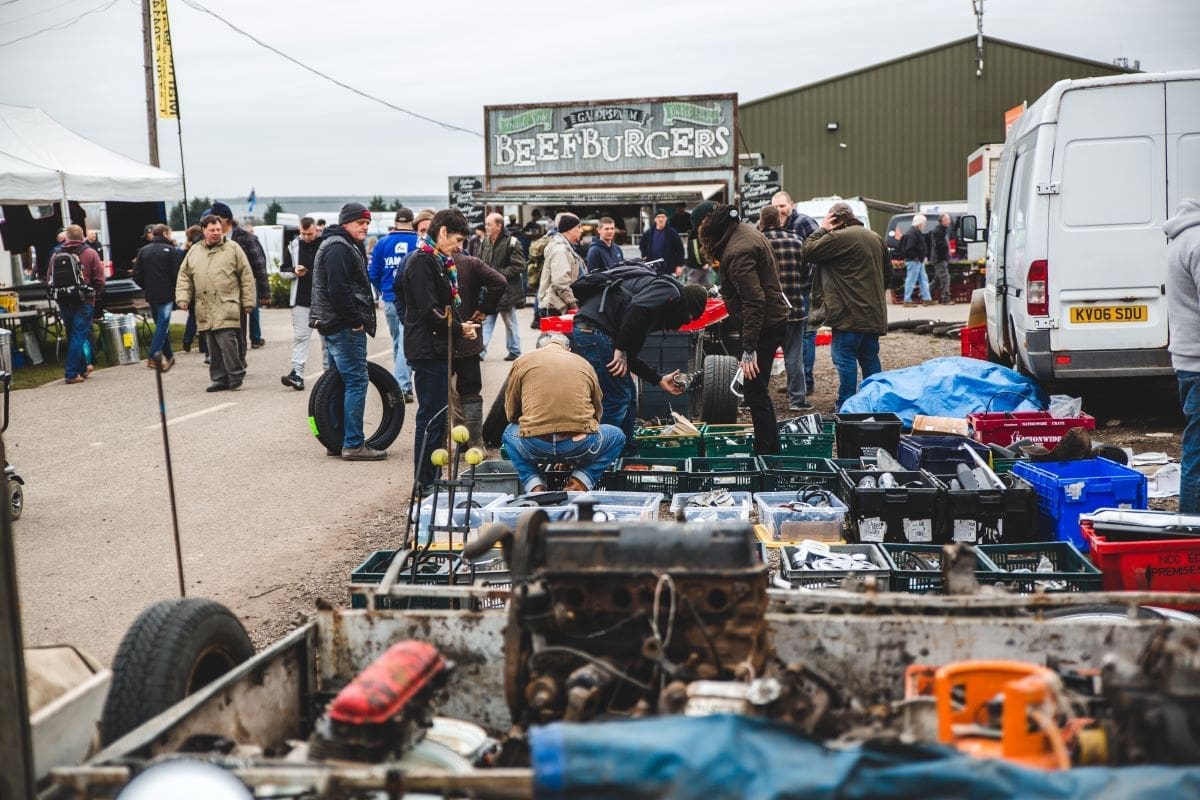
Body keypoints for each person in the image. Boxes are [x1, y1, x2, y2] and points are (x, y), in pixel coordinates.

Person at [572, 268, 708, 451]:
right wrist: (620, 349)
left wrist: (658, 379)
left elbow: (630, 357)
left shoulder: (644, 317)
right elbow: (637, 307)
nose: (681, 324)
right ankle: (601, 455)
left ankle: (626, 450)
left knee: (628, 395)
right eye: (688, 318)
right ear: (686, 306)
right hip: (595, 329)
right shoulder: (670, 293)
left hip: (598, 331)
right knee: (617, 397)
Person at [695, 204, 789, 454]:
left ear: (709, 224)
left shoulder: (737, 250)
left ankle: (766, 452)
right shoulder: (743, 232)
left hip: (765, 325)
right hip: (771, 321)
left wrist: (749, 347)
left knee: (755, 392)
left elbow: (754, 300)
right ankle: (769, 448)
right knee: (757, 390)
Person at [401, 208, 479, 489]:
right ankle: (425, 482)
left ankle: (431, 478)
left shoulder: (438, 260)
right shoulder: (423, 261)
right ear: (442, 231)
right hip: (427, 349)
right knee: (431, 417)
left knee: (437, 416)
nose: (460, 247)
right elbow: (429, 310)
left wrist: (459, 325)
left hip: (436, 347)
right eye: (457, 239)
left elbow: (442, 307)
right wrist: (459, 329)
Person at [501, 332, 626, 493]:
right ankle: (578, 483)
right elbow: (596, 413)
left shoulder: (522, 361)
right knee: (617, 436)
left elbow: (511, 413)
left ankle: (535, 485)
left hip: (534, 445)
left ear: (539, 349)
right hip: (580, 445)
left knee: (508, 433)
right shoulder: (583, 363)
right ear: (569, 349)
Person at [308, 202, 383, 461]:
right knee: (356, 381)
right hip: (343, 325)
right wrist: (355, 320)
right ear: (346, 223)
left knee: (339, 381)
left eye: (367, 223)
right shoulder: (339, 247)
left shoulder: (335, 244)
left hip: (332, 323)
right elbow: (337, 288)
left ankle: (336, 439)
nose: (365, 227)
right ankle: (353, 444)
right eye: (360, 222)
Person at [802, 202, 889, 409]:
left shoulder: (839, 237)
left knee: (845, 358)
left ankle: (846, 404)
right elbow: (888, 276)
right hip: (873, 314)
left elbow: (808, 251)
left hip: (849, 315)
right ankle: (875, 402)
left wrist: (822, 228)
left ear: (835, 220)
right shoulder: (876, 238)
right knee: (869, 357)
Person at [175, 215, 255, 392]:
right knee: (212, 345)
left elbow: (246, 276)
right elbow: (184, 276)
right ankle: (219, 378)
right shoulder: (195, 251)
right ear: (203, 230)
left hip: (227, 304)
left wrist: (248, 302)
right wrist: (182, 298)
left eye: (219, 229)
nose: (216, 233)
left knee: (228, 341)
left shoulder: (233, 248)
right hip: (204, 305)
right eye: (212, 230)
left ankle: (236, 374)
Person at [758, 206, 811, 411]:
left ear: (762, 221)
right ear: (780, 219)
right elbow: (807, 275)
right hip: (794, 308)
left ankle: (756, 396)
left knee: (762, 357)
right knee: (794, 357)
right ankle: (797, 400)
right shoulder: (797, 241)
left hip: (767, 311)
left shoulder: (758, 242)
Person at [1166, 198, 1200, 513]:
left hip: (1188, 361)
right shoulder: (1198, 241)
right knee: (1197, 453)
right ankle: (1192, 526)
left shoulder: (1181, 238)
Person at [452, 253, 506, 447]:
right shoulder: (470, 262)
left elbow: (499, 281)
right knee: (470, 390)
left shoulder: (423, 260)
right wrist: (484, 308)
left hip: (443, 339)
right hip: (467, 337)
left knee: (449, 391)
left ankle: (462, 441)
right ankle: (475, 443)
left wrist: (485, 308)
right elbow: (499, 282)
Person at [368, 208, 417, 402]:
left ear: (395, 222)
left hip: (390, 299)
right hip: (411, 300)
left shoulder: (382, 243)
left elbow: (373, 273)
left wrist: (383, 291)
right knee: (406, 343)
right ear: (412, 222)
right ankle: (402, 385)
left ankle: (402, 383)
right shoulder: (418, 243)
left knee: (399, 341)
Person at [210, 202, 271, 347]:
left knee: (241, 323)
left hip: (242, 288)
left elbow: (259, 265)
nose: (212, 221)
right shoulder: (211, 239)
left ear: (225, 219)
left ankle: (242, 353)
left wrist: (264, 293)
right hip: (218, 290)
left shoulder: (246, 237)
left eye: (215, 217)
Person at [52, 224, 105, 384]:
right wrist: (94, 293)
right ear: (83, 237)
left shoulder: (56, 254)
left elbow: (49, 277)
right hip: (84, 299)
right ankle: (71, 373)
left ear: (67, 237)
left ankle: (82, 369)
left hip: (63, 300)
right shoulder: (91, 253)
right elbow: (100, 279)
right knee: (79, 335)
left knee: (72, 334)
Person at [278, 217, 323, 390]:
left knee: (327, 340)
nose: (306, 237)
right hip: (300, 300)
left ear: (316, 230)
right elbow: (283, 271)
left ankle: (331, 373)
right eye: (303, 233)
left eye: (310, 234)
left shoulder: (325, 244)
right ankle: (297, 373)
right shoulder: (293, 246)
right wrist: (294, 272)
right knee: (301, 337)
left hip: (322, 300)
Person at [132, 223, 183, 371]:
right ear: (165, 234)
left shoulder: (143, 251)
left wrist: (146, 286)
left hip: (151, 294)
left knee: (161, 324)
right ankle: (153, 356)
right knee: (163, 324)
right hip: (166, 294)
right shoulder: (172, 251)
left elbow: (136, 274)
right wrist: (175, 290)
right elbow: (177, 274)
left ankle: (169, 354)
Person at [478, 212, 527, 362]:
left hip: (507, 292)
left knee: (510, 323)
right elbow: (479, 262)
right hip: (489, 291)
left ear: (499, 225)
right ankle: (479, 351)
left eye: (489, 224)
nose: (486, 227)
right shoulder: (485, 242)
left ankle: (515, 351)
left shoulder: (512, 242)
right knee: (486, 321)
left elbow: (520, 265)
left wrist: (497, 274)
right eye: (486, 224)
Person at [537, 213, 586, 317]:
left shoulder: (568, 248)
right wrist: (573, 304)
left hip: (558, 306)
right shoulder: (561, 250)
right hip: (555, 308)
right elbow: (560, 282)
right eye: (579, 227)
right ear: (569, 229)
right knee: (557, 334)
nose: (581, 230)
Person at [639, 208, 685, 276]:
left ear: (666, 218)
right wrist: (645, 255)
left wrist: (679, 265)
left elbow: (680, 250)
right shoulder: (648, 233)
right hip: (652, 268)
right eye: (658, 217)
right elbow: (642, 245)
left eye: (663, 217)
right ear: (655, 219)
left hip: (668, 268)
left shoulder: (672, 233)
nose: (661, 219)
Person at [899, 213, 931, 307]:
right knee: (911, 280)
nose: (924, 225)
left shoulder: (914, 232)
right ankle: (907, 300)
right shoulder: (913, 233)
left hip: (917, 261)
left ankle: (927, 299)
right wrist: (916, 257)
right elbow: (910, 248)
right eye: (924, 223)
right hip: (914, 261)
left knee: (923, 279)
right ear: (919, 223)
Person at [685, 201, 716, 287]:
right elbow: (696, 251)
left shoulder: (704, 232)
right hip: (696, 267)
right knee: (693, 287)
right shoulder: (695, 235)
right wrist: (704, 263)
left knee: (708, 286)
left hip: (703, 265)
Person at [930, 213, 953, 304]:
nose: (949, 221)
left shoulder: (941, 230)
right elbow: (940, 245)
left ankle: (924, 293)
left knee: (937, 279)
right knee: (945, 278)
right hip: (940, 259)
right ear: (943, 221)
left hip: (941, 258)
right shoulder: (939, 231)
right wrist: (947, 249)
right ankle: (945, 298)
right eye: (948, 219)